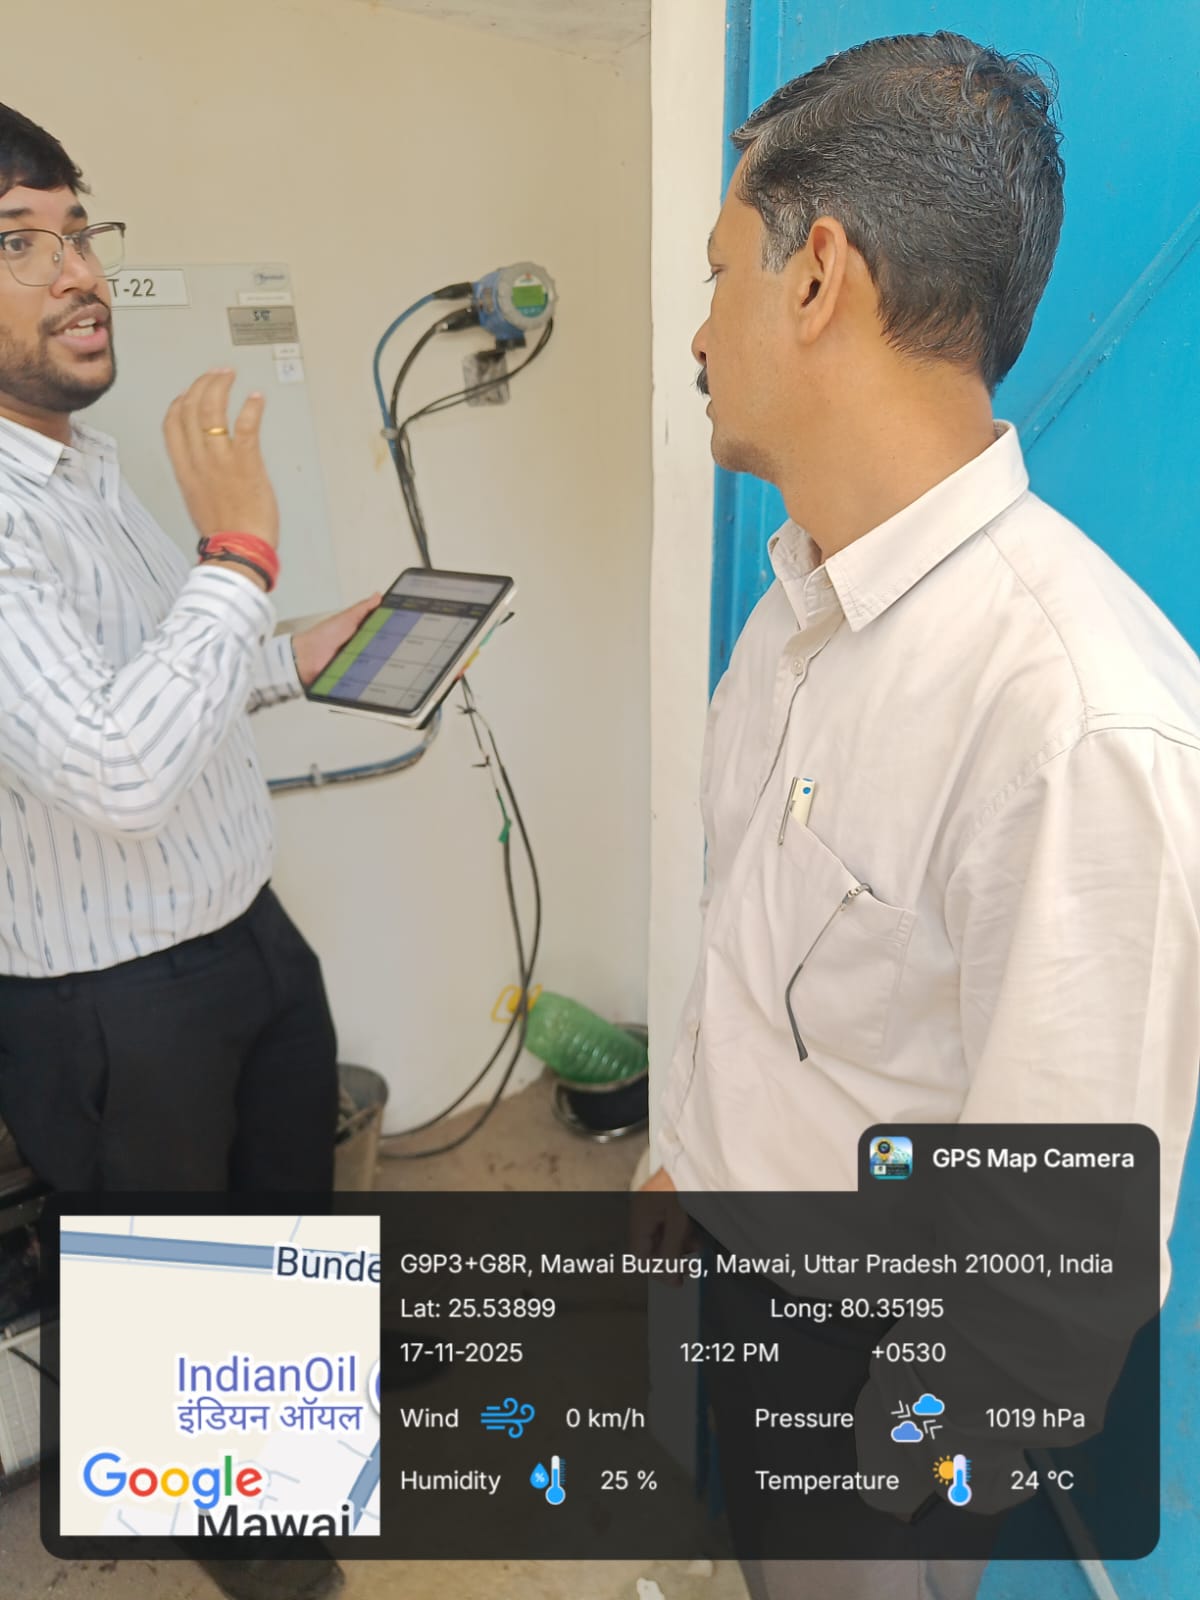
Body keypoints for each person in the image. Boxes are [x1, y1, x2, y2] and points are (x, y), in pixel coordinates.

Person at [644, 31, 1200, 1600]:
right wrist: (687, 1166)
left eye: (719, 276)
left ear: (818, 276)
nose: (700, 331)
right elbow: (768, 969)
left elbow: (1055, 1274)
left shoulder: (1078, 720)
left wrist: (886, 1507)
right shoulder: (793, 614)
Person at [0, 104, 374, 1598]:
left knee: (284, 1265)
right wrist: (240, 553)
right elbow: (119, 769)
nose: (77, 270)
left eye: (79, 229)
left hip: (242, 938)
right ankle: (265, 1561)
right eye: (16, 242)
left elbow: (155, 687)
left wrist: (290, 651)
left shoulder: (84, 472)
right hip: (111, 1000)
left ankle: (294, 1494)